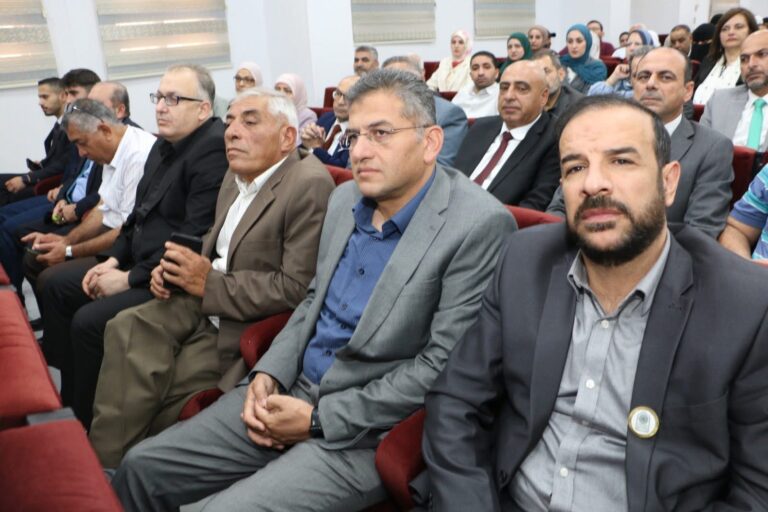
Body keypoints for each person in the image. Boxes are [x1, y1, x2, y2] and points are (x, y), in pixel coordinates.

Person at [111, 68, 515, 512]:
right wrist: (268, 373)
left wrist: (318, 419)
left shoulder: (478, 225)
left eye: (380, 134)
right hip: (289, 388)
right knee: (140, 467)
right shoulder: (345, 200)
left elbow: (441, 366)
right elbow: (311, 302)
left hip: (362, 429)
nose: (359, 151)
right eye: (354, 135)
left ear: (431, 142)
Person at [423, 94, 768, 512]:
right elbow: (456, 402)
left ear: (668, 182)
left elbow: (757, 490)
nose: (593, 183)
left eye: (621, 161)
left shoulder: (745, 304)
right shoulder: (524, 261)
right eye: (575, 168)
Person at [89, 87, 336, 468]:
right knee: (124, 328)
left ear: (288, 137)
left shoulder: (307, 183)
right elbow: (214, 245)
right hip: (200, 301)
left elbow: (296, 289)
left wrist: (206, 282)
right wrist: (173, 271)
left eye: (249, 122)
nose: (232, 132)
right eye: (231, 121)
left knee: (157, 389)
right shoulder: (236, 173)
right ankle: (102, 468)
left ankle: (113, 472)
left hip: (241, 322)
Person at [38, 64, 228, 429]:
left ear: (203, 109)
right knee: (60, 286)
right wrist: (112, 261)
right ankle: (67, 397)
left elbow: (193, 236)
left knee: (89, 322)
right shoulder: (164, 145)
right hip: (139, 260)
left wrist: (128, 278)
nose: (161, 107)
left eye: (174, 99)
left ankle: (86, 422)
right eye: (159, 97)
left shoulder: (211, 150)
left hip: (166, 276)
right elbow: (135, 217)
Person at [549, 47, 734, 239]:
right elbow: (559, 208)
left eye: (665, 77)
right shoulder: (601, 134)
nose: (651, 84)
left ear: (687, 91)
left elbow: (700, 232)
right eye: (643, 76)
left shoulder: (712, 148)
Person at [453, 61, 560, 210]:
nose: (508, 96)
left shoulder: (555, 138)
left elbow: (533, 207)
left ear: (543, 96)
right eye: (504, 88)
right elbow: (452, 180)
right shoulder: (480, 127)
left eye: (521, 89)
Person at [0, 69, 100, 206]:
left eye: (45, 97)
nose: (40, 102)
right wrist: (42, 164)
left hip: (59, 186)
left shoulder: (77, 127)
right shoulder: (61, 124)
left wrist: (28, 178)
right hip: (60, 186)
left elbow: (65, 165)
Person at [382, 56, 468, 167]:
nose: (398, 86)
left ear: (422, 78)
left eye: (406, 79)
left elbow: (441, 166)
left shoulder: (448, 115)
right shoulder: (373, 113)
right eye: (389, 81)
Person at [700, 30, 768, 150]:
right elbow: (701, 151)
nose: (751, 64)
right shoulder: (718, 101)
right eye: (744, 59)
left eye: (762, 54)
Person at [693, 7, 758, 105]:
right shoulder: (708, 61)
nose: (731, 32)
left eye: (738, 27)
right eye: (725, 29)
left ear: (751, 31)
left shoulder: (756, 65)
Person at [300, 75, 360, 168]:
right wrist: (305, 143)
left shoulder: (359, 131)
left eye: (349, 97)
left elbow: (340, 168)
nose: (340, 102)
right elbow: (300, 152)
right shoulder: (327, 117)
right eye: (338, 94)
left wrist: (316, 148)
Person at [533, 49, 584, 118]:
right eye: (537, 73)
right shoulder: (528, 101)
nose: (542, 78)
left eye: (546, 71)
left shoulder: (578, 104)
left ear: (561, 74)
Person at [588, 45, 652, 98]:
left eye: (645, 76)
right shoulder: (623, 83)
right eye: (628, 44)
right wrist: (613, 78)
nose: (632, 48)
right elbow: (593, 99)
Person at [451, 51, 500, 118]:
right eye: (475, 68)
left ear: (496, 73)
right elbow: (449, 114)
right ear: (471, 75)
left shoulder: (501, 94)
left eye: (486, 67)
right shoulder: (464, 90)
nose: (480, 73)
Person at [561, 24, 607, 93]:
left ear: (588, 42)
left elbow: (592, 95)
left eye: (579, 41)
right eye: (570, 41)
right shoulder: (560, 63)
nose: (574, 46)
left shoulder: (597, 68)